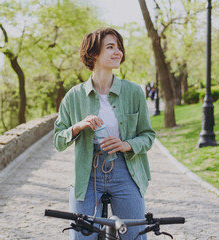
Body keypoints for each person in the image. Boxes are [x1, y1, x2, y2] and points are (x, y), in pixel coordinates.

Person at [53, 27, 155, 240]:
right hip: (87, 175)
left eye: (119, 47)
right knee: (82, 236)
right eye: (110, 47)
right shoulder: (74, 96)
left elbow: (148, 135)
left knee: (135, 235)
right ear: (93, 54)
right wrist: (78, 126)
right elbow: (58, 140)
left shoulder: (134, 92)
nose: (118, 52)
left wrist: (126, 145)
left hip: (125, 170)